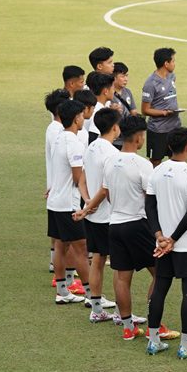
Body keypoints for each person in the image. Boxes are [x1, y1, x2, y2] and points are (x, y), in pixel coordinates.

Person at [145, 128, 187, 359]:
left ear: (170, 146)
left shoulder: (157, 171)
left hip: (163, 245)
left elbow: (149, 207)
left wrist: (159, 236)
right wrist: (173, 239)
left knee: (160, 289)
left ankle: (153, 341)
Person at [101, 116, 155, 341]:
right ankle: (156, 323)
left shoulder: (110, 161)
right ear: (139, 136)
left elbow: (109, 194)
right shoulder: (143, 164)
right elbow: (152, 199)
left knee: (122, 277)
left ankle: (127, 327)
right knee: (160, 273)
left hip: (115, 225)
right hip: (137, 224)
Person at [75, 108, 122, 323]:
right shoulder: (112, 154)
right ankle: (123, 313)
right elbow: (105, 190)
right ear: (115, 127)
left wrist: (86, 201)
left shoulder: (91, 147)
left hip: (94, 216)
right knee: (120, 266)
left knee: (97, 260)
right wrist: (89, 206)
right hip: (107, 217)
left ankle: (96, 309)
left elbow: (82, 179)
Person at [48, 99, 93, 305]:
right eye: (82, 115)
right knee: (81, 248)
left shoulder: (59, 138)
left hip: (55, 201)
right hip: (69, 204)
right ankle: (92, 296)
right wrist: (89, 200)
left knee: (60, 245)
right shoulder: (74, 142)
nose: (84, 118)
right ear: (76, 118)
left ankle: (62, 291)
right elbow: (78, 178)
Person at [44, 88, 72, 275]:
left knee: (59, 236)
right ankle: (64, 272)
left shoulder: (54, 129)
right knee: (66, 238)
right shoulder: (57, 131)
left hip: (56, 187)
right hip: (61, 189)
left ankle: (58, 267)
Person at [141, 47, 182, 167]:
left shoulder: (171, 76)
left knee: (176, 160)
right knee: (155, 162)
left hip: (174, 127)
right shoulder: (150, 84)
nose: (174, 63)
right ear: (166, 63)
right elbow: (145, 110)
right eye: (173, 61)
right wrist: (164, 113)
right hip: (158, 130)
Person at [85, 71, 116, 144]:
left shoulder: (94, 106)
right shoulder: (98, 110)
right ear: (105, 91)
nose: (114, 91)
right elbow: (92, 138)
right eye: (112, 88)